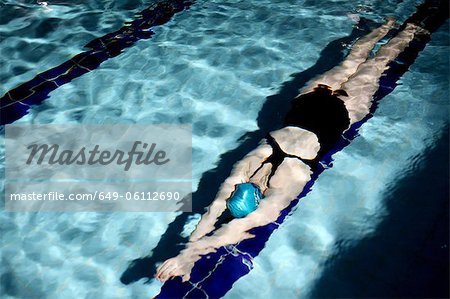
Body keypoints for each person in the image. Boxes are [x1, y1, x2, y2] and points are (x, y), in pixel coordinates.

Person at [156, 16, 431, 282]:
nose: (244, 184)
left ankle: (399, 28)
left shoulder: (267, 173)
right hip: (324, 104)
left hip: (329, 106)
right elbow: (227, 217)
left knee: (369, 62)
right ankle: (393, 26)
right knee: (364, 60)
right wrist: (190, 253)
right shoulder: (270, 172)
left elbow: (222, 212)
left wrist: (189, 252)